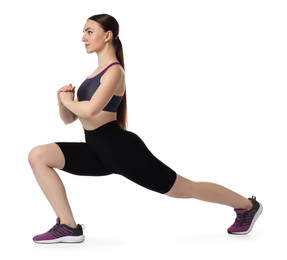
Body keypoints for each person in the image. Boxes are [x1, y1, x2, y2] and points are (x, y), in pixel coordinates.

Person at [28, 13, 263, 244]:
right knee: (39, 155)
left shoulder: (114, 71)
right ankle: (68, 226)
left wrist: (70, 102)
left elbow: (90, 111)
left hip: (121, 151)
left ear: (108, 35)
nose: (83, 38)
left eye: (89, 32)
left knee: (183, 189)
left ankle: (247, 206)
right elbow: (69, 119)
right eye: (83, 32)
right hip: (96, 151)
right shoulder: (93, 75)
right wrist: (62, 101)